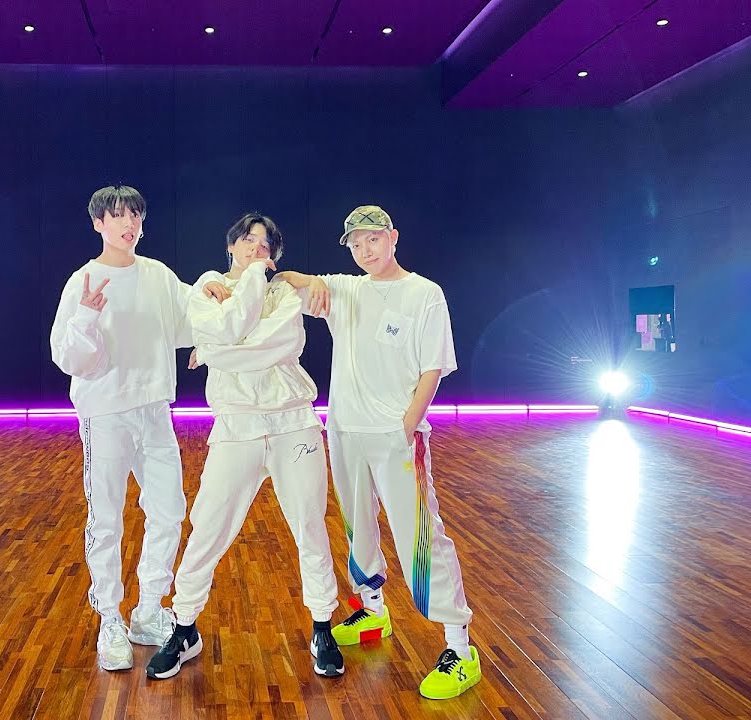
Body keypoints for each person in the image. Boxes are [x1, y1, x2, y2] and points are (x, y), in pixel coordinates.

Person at [275, 205, 480, 699]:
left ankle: (459, 647)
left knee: (420, 535)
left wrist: (406, 426)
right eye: (355, 243)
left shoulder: (424, 293)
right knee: (357, 526)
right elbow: (281, 281)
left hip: (396, 437)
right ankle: (372, 611)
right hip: (346, 431)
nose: (365, 250)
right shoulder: (346, 289)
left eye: (372, 239)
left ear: (393, 237)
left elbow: (433, 369)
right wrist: (305, 280)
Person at [146, 213, 344, 679]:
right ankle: (184, 626)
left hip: (293, 422)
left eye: (265, 244)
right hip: (236, 425)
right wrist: (224, 335)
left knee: (310, 525)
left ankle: (322, 625)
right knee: (207, 528)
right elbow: (226, 329)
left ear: (274, 257)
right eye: (249, 239)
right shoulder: (206, 289)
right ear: (231, 245)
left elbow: (279, 343)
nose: (257, 247)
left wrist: (215, 351)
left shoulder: (284, 294)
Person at [50, 184, 227, 671]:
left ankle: (149, 610)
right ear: (98, 223)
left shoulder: (158, 276)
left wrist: (212, 289)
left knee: (169, 510)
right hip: (106, 413)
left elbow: (193, 312)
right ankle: (109, 618)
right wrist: (86, 317)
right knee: (106, 518)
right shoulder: (83, 281)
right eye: (117, 215)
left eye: (134, 214)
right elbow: (69, 357)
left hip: (154, 410)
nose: (128, 223)